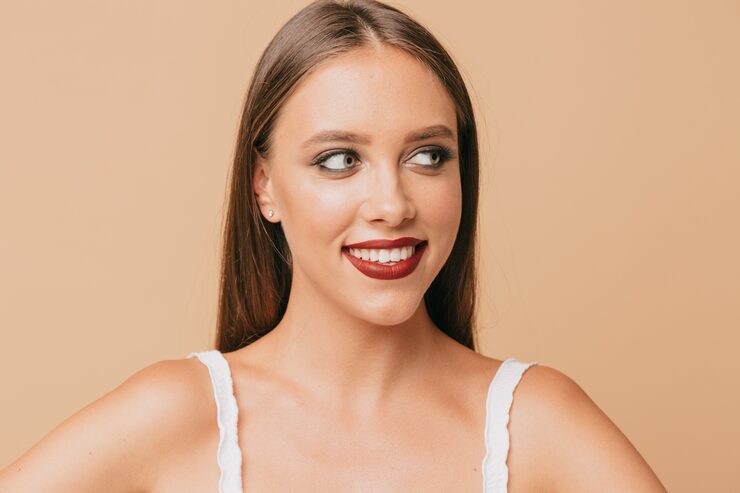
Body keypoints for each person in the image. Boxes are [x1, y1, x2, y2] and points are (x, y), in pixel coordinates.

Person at [0, 0, 668, 491]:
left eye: (428, 155)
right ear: (264, 186)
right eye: (340, 159)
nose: (392, 204)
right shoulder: (177, 414)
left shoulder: (539, 424)